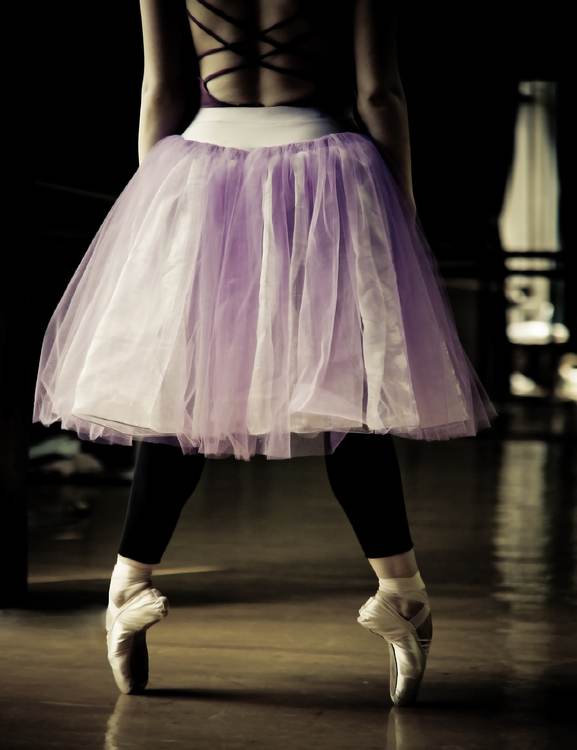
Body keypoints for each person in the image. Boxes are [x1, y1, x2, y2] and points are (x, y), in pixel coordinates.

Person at [32, 0, 498, 706]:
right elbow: (379, 94)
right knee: (347, 398)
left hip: (200, 173)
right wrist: (401, 208)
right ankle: (402, 596)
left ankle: (128, 586)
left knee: (181, 397)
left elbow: (162, 89)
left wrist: (154, 213)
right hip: (326, 177)